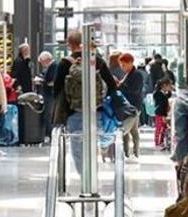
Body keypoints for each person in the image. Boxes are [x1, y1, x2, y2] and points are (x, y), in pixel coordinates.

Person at [53, 30, 117, 171]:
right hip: (96, 110)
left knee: (77, 148)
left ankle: (84, 180)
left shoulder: (64, 63)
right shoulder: (97, 61)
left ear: (69, 45)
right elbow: (112, 85)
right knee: (92, 145)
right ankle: (92, 179)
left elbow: (56, 89)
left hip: (73, 111)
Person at [116, 52, 145, 160]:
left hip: (133, 107)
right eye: (121, 65)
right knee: (133, 130)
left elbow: (134, 91)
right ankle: (130, 153)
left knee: (129, 130)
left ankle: (131, 153)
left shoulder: (136, 75)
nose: (122, 67)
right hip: (130, 107)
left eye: (124, 65)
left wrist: (121, 86)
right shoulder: (129, 74)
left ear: (131, 63)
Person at [35, 51, 57, 139]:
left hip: (50, 95)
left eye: (41, 62)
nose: (41, 64)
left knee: (49, 114)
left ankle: (51, 134)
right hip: (48, 95)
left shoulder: (53, 67)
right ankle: (49, 134)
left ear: (46, 60)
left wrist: (42, 81)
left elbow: (52, 81)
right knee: (48, 114)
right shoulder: (51, 67)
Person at [153, 77, 174, 150]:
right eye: (169, 85)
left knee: (163, 128)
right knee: (159, 129)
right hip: (160, 114)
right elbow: (162, 105)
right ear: (164, 85)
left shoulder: (161, 94)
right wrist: (164, 116)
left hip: (163, 113)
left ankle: (161, 142)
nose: (170, 87)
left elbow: (167, 96)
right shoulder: (158, 94)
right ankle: (157, 143)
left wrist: (170, 91)